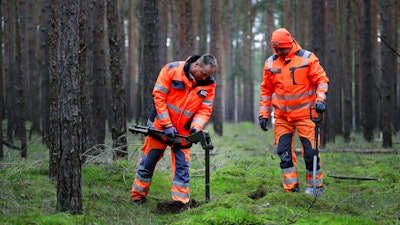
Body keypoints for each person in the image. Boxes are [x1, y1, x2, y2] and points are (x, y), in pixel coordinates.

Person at [131, 54, 218, 207]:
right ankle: (137, 197)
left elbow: (205, 109)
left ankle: (180, 203)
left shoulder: (209, 84)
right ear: (196, 64)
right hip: (159, 128)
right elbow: (158, 97)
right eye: (203, 74)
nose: (204, 78)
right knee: (147, 162)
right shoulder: (171, 69)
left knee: (182, 168)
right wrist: (167, 125)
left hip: (183, 134)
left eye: (208, 75)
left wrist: (196, 128)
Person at [258, 28, 329, 196]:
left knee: (311, 153)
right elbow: (266, 90)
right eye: (276, 49)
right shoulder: (270, 63)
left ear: (289, 44)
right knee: (284, 153)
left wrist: (320, 100)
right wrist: (264, 114)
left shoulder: (307, 58)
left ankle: (315, 188)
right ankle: (291, 189)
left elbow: (322, 80)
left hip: (306, 115)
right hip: (282, 117)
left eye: (282, 48)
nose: (279, 52)